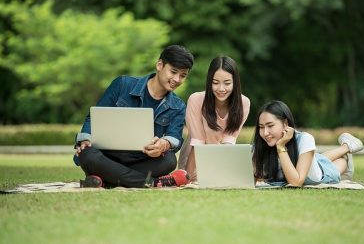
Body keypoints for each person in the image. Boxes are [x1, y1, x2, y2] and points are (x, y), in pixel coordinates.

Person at [74, 45, 194, 188]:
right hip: (106, 156)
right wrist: (86, 140)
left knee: (169, 160)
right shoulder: (122, 84)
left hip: (142, 160)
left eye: (183, 75)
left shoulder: (178, 106)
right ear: (160, 65)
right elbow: (93, 118)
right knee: (87, 154)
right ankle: (153, 182)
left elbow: (174, 137)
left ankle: (105, 178)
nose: (177, 79)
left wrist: (164, 144)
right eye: (173, 72)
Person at [252, 100, 364, 186]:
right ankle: (346, 145)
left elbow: (296, 182)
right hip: (313, 160)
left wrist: (281, 147)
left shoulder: (305, 139)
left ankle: (346, 148)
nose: (265, 133)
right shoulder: (262, 144)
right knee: (317, 158)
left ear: (285, 123)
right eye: (261, 127)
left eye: (270, 126)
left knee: (338, 162)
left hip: (323, 173)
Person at [178, 56, 251, 181]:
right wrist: (190, 177)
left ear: (235, 82)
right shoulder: (196, 100)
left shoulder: (243, 103)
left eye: (227, 83)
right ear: (209, 82)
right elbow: (197, 142)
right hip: (195, 153)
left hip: (223, 153)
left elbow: (229, 140)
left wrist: (224, 170)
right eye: (215, 83)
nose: (221, 89)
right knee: (193, 180)